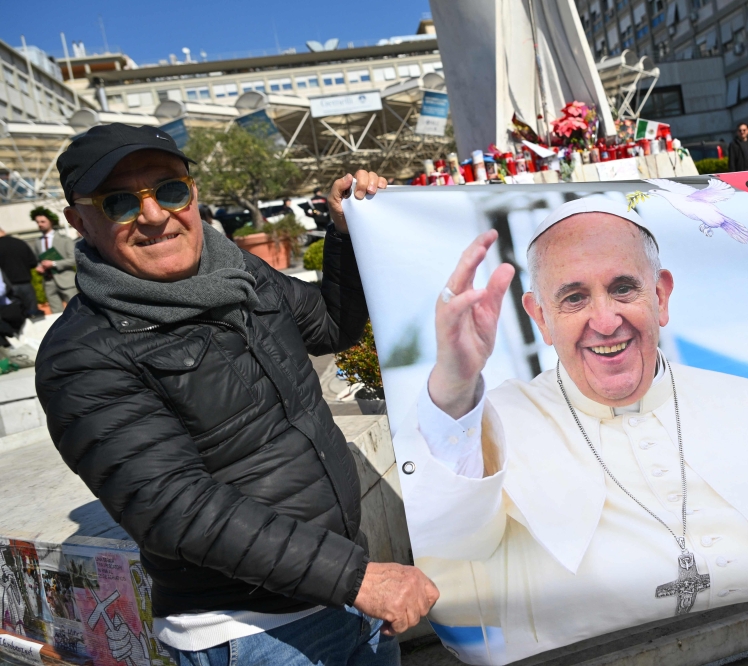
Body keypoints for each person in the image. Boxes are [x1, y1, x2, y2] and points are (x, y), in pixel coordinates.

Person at [394, 197, 748, 664]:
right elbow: (454, 538)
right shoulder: (493, 422)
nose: (605, 320)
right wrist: (458, 387)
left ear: (660, 296)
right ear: (541, 318)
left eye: (624, 289)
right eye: (574, 298)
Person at [36, 123, 438, 666]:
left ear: (193, 193)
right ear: (79, 221)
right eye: (119, 202)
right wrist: (355, 577)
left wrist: (344, 234)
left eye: (170, 190)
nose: (154, 216)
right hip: (254, 633)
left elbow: (330, 327)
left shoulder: (238, 272)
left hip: (348, 596)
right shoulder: (83, 352)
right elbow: (173, 507)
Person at [32, 207, 78, 314]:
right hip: (49, 282)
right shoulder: (38, 242)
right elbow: (39, 259)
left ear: (51, 221)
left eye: (43, 221)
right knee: (56, 315)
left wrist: (53, 263)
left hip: (66, 280)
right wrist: (40, 266)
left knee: (76, 311)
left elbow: (74, 259)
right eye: (38, 222)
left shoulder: (65, 239)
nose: (40, 224)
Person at [0, 226, 43, 321]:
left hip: (8, 288)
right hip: (27, 285)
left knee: (16, 317)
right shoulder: (20, 243)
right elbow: (33, 262)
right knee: (34, 315)